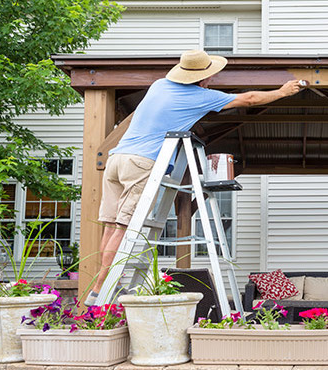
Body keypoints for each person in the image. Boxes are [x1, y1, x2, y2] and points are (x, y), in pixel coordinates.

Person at [85, 50, 303, 305]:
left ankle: (99, 287)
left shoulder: (158, 86)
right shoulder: (200, 96)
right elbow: (250, 99)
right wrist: (282, 92)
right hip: (141, 162)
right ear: (203, 78)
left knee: (110, 225)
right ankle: (103, 288)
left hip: (117, 158)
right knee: (124, 227)